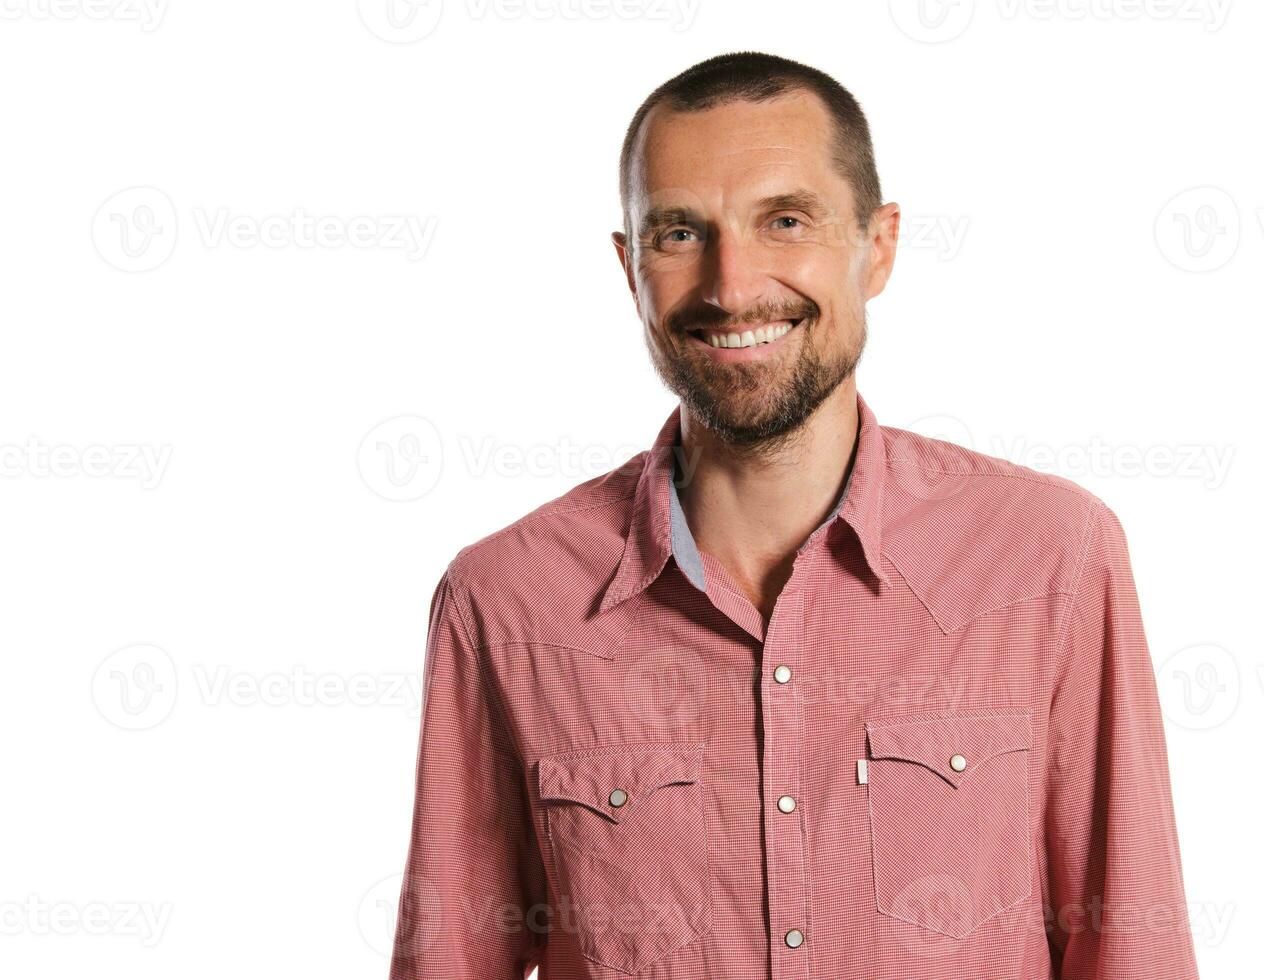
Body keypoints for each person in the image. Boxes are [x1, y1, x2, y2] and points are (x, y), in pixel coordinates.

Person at [389, 50, 1199, 979]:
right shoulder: (507, 602)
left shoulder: (1048, 560)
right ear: (628, 267)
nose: (734, 286)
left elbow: (1133, 949)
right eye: (680, 233)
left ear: (879, 245)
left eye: (786, 221)